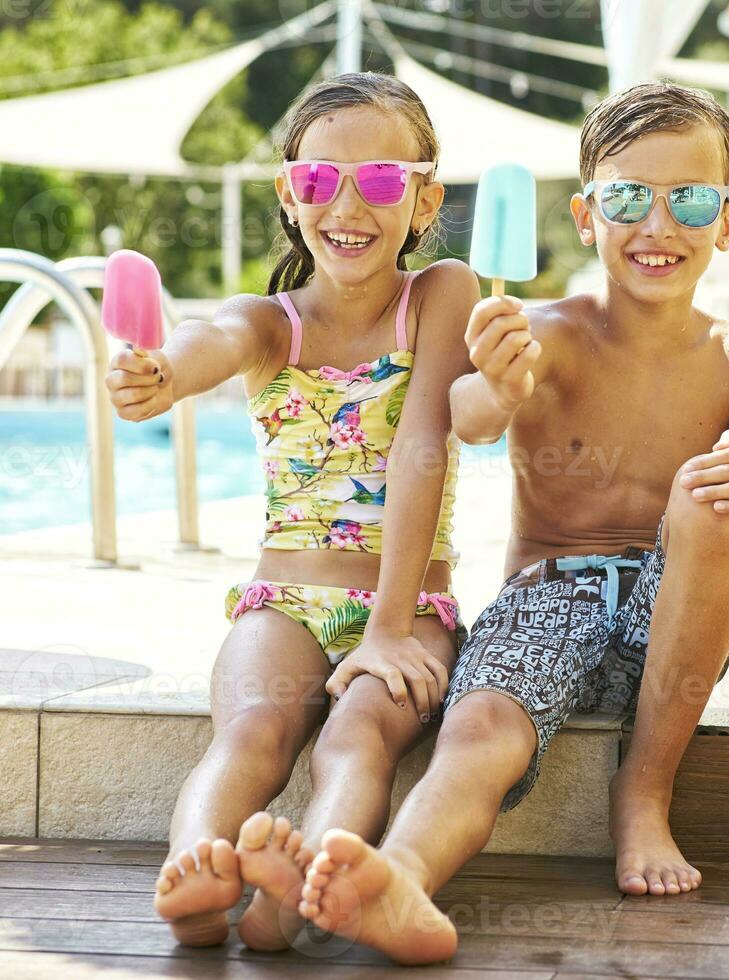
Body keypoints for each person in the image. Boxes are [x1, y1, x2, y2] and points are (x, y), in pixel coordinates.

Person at [296, 81, 729, 966]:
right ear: (583, 215)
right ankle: (399, 880)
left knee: (711, 491)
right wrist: (492, 381)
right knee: (481, 727)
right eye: (626, 198)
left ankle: (641, 795)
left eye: (688, 200)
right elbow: (468, 421)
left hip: (676, 622)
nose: (658, 225)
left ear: (725, 221)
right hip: (546, 601)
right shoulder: (541, 335)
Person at [103, 71, 476, 951]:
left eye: (381, 180)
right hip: (283, 603)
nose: (348, 203)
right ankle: (197, 873)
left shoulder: (441, 296)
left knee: (355, 740)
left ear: (424, 201)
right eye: (319, 180)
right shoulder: (269, 321)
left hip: (410, 608)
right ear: (288, 193)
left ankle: (303, 882)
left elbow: (420, 451)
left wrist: (387, 628)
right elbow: (208, 344)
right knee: (250, 737)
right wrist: (158, 375)